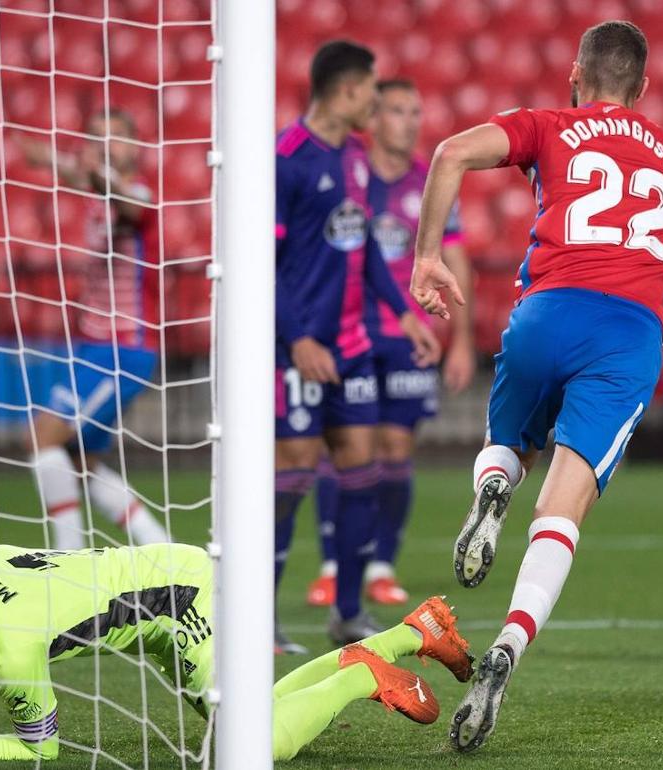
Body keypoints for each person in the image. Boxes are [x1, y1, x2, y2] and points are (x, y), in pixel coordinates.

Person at [409, 21, 663, 752]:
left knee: (507, 444)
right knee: (565, 506)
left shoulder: (548, 125)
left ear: (576, 74)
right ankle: (510, 646)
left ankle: (492, 489)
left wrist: (428, 259)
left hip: (548, 310)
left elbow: (452, 152)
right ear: (642, 89)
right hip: (628, 336)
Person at [0, 545, 473, 763]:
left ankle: (362, 676)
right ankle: (414, 633)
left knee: (254, 746)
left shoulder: (10, 649)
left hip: (181, 599)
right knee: (248, 714)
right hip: (152, 596)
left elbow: (41, 748)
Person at [274, 42, 442, 652]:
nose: (377, 100)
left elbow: (365, 248)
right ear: (347, 91)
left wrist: (405, 313)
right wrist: (296, 341)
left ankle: (347, 614)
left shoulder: (355, 158)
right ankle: (255, 613)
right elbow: (263, 263)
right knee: (289, 481)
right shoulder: (287, 158)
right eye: (373, 90)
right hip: (295, 350)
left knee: (362, 474)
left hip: (354, 346)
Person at [308, 79, 475, 609]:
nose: (411, 121)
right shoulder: (347, 169)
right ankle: (335, 567)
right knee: (344, 449)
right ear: (374, 118)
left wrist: (463, 340)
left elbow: (456, 253)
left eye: (416, 111)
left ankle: (380, 566)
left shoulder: (431, 178)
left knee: (397, 450)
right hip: (350, 330)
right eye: (399, 111)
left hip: (407, 337)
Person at [17, 110, 170, 549]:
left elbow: (127, 202)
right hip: (91, 347)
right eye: (97, 138)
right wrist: (47, 158)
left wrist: (89, 168)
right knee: (79, 460)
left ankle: (69, 561)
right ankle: (162, 550)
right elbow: (77, 172)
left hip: (124, 350)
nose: (106, 146)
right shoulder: (94, 190)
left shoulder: (138, 194)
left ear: (136, 149)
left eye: (117, 138)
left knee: (43, 438)